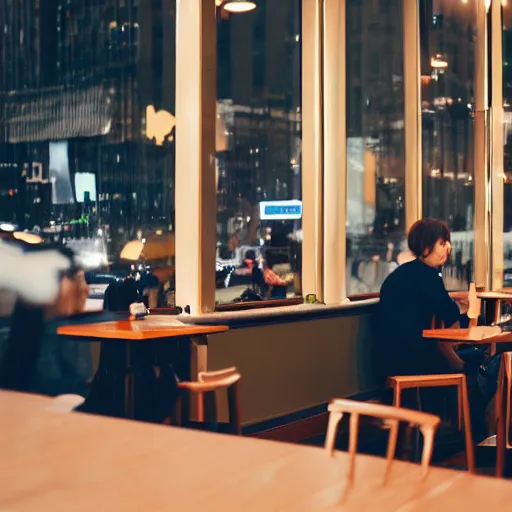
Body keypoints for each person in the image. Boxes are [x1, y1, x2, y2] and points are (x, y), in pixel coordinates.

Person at [376, 218, 489, 439]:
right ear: (426, 246)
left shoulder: (402, 274)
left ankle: (444, 433)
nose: (448, 248)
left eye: (448, 242)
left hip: (388, 360)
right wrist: (469, 313)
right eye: (442, 243)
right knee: (479, 367)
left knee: (458, 359)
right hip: (412, 361)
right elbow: (452, 320)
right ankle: (473, 436)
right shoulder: (427, 276)